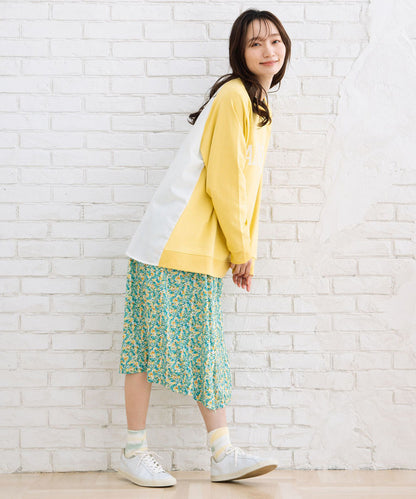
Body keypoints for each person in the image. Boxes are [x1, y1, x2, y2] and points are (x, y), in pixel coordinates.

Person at [116, 8, 291, 488]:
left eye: (275, 40)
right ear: (239, 52)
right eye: (255, 43)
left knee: (201, 347)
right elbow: (226, 183)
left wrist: (242, 249)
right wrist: (241, 249)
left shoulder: (256, 104)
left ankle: (219, 453)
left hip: (196, 247)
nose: (268, 50)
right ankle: (139, 453)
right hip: (171, 243)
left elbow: (248, 190)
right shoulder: (235, 97)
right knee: (145, 348)